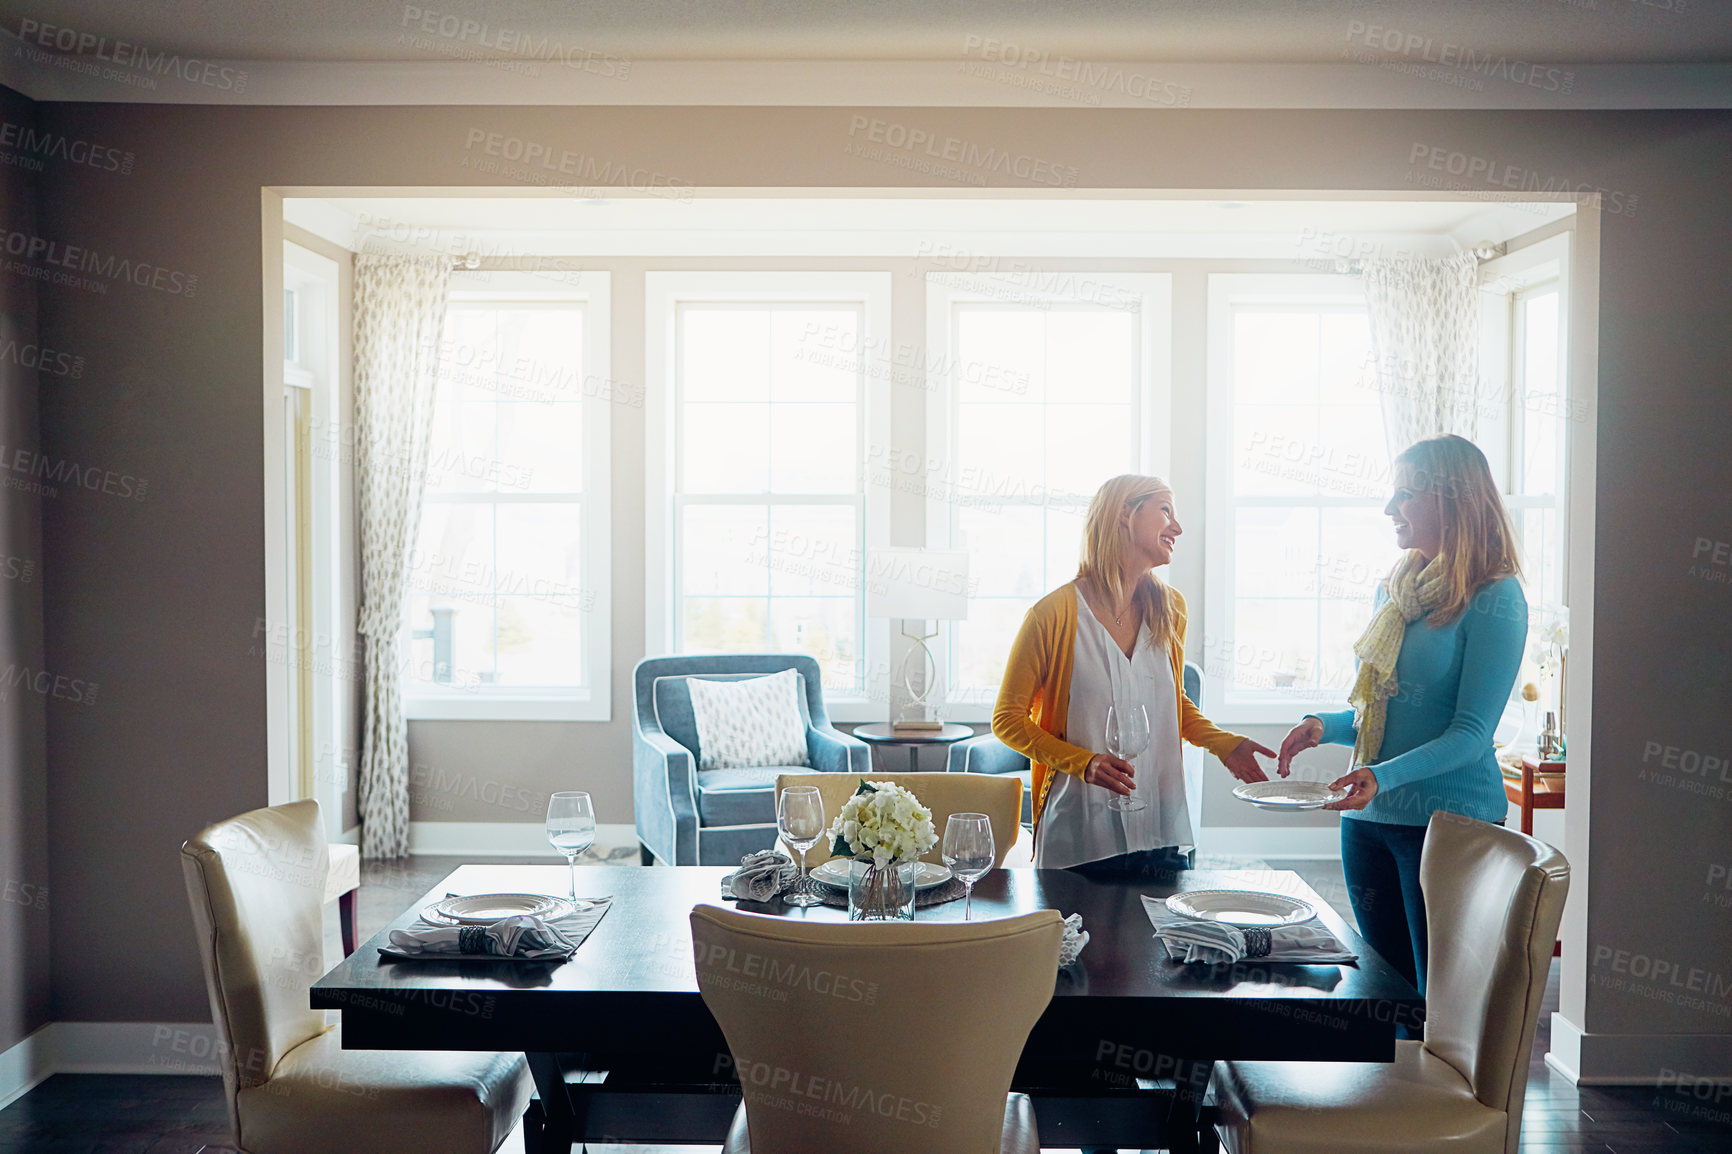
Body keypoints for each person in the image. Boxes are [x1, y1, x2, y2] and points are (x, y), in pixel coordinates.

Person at [1276, 434, 1527, 998]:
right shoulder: (1393, 592)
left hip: (1448, 828)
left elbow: (1471, 734)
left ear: (1452, 500)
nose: (1390, 509)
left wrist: (1381, 776)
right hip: (1367, 824)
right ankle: (1392, 1089)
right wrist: (1324, 726)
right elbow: (1375, 712)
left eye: (1404, 495)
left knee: (1440, 1000)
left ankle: (1441, 1090)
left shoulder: (1496, 598)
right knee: (1384, 997)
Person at [994, 474, 1274, 877]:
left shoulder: (1171, 608)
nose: (1176, 527)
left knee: (1156, 941)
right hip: (1080, 830)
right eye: (1165, 511)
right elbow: (1007, 719)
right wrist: (1082, 762)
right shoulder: (1051, 615)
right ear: (1125, 513)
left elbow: (1169, 701)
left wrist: (1223, 744)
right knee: (1077, 941)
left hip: (1158, 825)